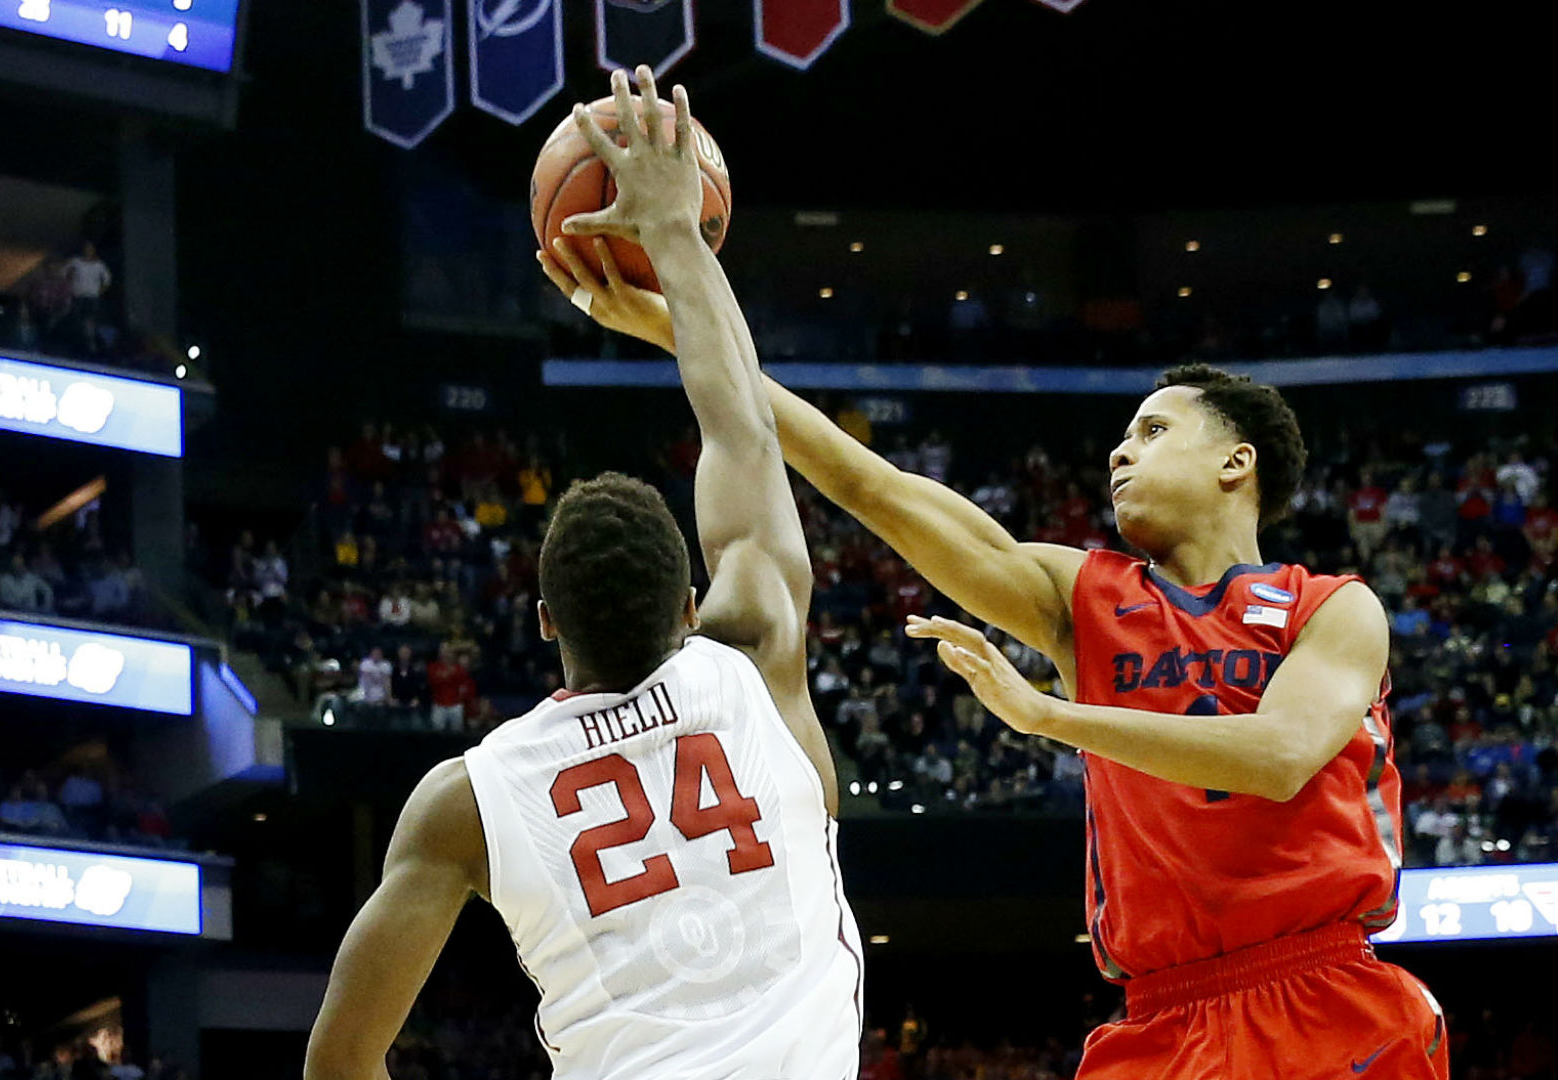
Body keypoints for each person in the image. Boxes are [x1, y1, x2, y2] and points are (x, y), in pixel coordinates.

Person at [551, 212, 1444, 1077]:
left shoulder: (1330, 608)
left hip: (1325, 998)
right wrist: (683, 331)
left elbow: (1281, 756)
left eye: (1153, 431)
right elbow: (878, 487)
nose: (1119, 454)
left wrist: (1047, 714)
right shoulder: (1084, 598)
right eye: (1123, 438)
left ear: (1235, 463)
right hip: (1161, 1019)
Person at [309, 67, 860, 1080]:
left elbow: (340, 1061)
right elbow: (742, 430)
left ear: (544, 619)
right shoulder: (754, 665)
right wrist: (677, 240)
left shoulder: (463, 799)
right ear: (693, 603)